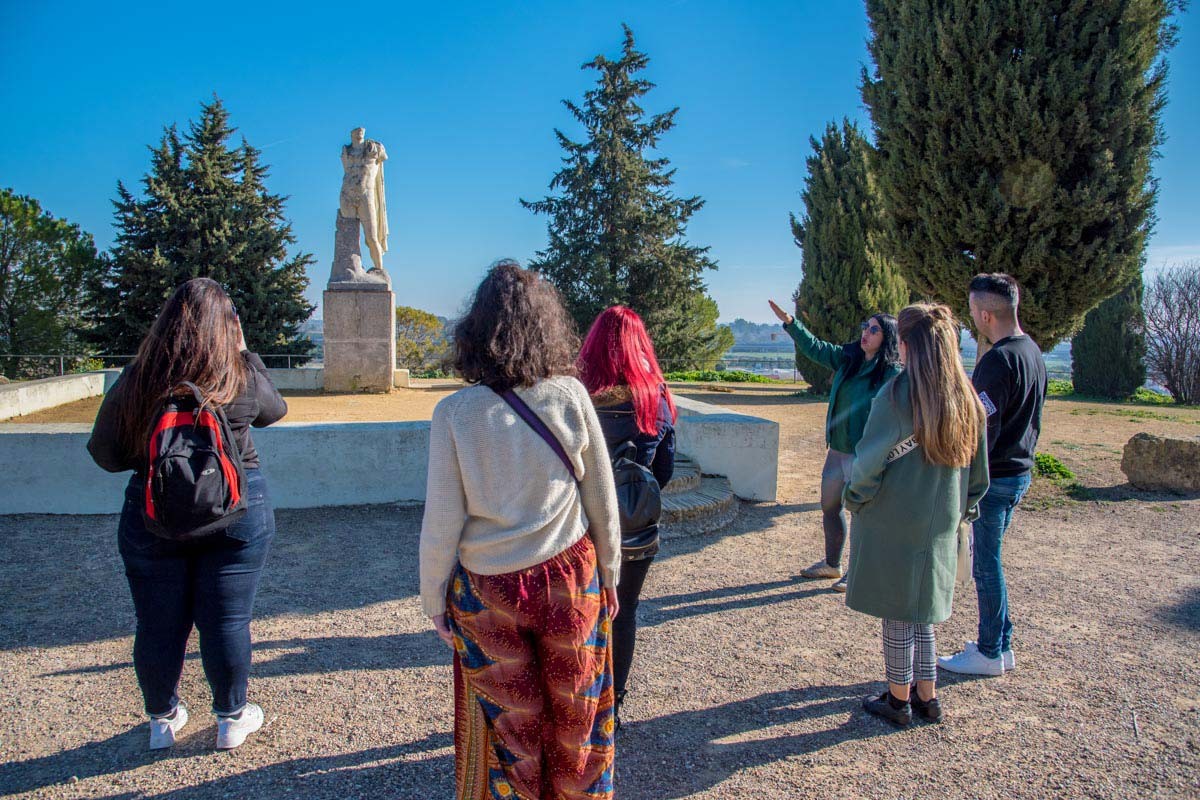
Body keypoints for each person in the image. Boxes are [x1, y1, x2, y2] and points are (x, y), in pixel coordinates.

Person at [419, 260, 621, 800]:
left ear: (475, 332)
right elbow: (601, 496)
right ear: (546, 327)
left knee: (515, 729)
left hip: (488, 588)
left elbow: (442, 519)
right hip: (569, 577)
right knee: (577, 717)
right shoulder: (570, 397)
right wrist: (611, 572)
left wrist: (433, 598)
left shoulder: (454, 414)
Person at [87, 278, 286, 750]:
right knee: (227, 620)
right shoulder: (235, 373)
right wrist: (245, 351)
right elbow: (274, 410)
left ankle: (162, 720)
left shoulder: (140, 377)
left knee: (157, 621)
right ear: (229, 326)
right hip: (236, 507)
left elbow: (106, 454)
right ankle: (231, 718)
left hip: (154, 509)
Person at [843, 303, 990, 726]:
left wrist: (856, 498)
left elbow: (868, 462)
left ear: (907, 345)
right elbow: (979, 475)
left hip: (894, 514)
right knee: (923, 610)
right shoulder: (967, 399)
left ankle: (898, 697)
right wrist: (963, 510)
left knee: (897, 613)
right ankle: (928, 695)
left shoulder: (896, 395)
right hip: (941, 519)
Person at [939, 273, 1047, 676]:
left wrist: (963, 475)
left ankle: (988, 652)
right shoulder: (1031, 351)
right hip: (1019, 471)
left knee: (986, 566)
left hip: (995, 477)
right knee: (992, 561)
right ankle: (1001, 645)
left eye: (971, 311)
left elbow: (981, 424)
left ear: (985, 314)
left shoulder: (998, 361)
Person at [577, 305, 676, 731]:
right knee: (626, 609)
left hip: (578, 527)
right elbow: (665, 471)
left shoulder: (577, 395)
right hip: (634, 528)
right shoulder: (655, 399)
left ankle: (576, 698)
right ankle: (613, 705)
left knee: (579, 611)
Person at [768, 299, 901, 591]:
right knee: (829, 506)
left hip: (866, 457)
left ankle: (859, 572)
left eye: (875, 330)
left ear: (887, 338)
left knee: (864, 516)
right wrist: (791, 323)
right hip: (837, 451)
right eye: (866, 326)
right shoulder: (848, 359)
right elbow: (815, 348)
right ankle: (832, 564)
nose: (866, 332)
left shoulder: (892, 374)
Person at [337, 126, 389, 277]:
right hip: (347, 194)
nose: (359, 132)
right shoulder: (346, 150)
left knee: (372, 237)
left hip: (366, 194)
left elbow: (383, 158)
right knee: (348, 237)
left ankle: (379, 270)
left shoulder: (374, 147)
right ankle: (351, 270)